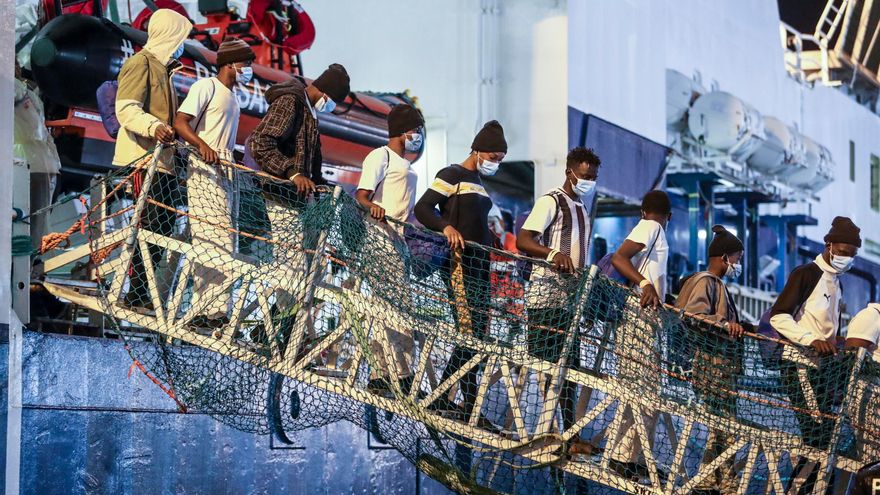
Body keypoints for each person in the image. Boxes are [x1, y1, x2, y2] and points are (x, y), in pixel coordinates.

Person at [413, 120, 506, 452]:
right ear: (478, 150)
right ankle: (449, 400)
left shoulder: (478, 182)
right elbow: (422, 208)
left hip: (482, 268)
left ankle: (469, 405)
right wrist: (446, 228)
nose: (496, 161)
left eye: (501, 157)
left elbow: (476, 222)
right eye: (493, 155)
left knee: (479, 337)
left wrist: (492, 238)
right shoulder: (452, 174)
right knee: (469, 333)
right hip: (460, 265)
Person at [516, 146, 601, 463]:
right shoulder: (551, 201)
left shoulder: (582, 208)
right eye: (585, 176)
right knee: (550, 369)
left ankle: (569, 435)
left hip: (570, 303)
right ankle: (553, 433)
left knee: (570, 370)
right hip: (545, 298)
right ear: (570, 172)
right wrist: (553, 255)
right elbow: (524, 239)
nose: (588, 181)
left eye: (593, 177)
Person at [173, 38, 255, 330]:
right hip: (204, 167)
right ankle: (205, 308)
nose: (248, 69)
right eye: (246, 63)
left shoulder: (233, 97)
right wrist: (202, 145)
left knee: (225, 240)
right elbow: (180, 122)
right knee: (210, 237)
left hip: (226, 170)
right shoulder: (205, 87)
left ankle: (217, 308)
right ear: (230, 64)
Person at [113, 8, 191, 311]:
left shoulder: (165, 72)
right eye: (181, 36)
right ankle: (136, 292)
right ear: (170, 34)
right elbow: (127, 108)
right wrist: (153, 126)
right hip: (144, 160)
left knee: (161, 228)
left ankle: (143, 292)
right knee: (146, 226)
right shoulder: (140, 64)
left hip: (165, 163)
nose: (182, 44)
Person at [769, 216, 860, 449]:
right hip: (799, 364)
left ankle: (810, 485)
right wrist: (812, 339)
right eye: (842, 252)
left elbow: (825, 328)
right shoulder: (807, 273)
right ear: (828, 246)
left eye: (851, 255)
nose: (846, 258)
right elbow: (778, 316)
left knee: (824, 436)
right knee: (817, 434)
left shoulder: (837, 283)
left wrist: (837, 341)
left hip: (820, 369)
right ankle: (808, 486)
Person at [354, 103, 424, 393]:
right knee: (397, 310)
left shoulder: (405, 163)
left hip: (398, 242)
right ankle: (399, 376)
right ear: (402, 131)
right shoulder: (380, 156)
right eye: (416, 130)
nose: (419, 135)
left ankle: (386, 375)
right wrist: (375, 209)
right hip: (379, 239)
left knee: (392, 310)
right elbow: (361, 196)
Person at [674, 225, 745, 494]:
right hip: (713, 366)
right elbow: (693, 314)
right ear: (724, 257)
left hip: (720, 367)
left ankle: (709, 477)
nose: (738, 265)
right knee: (725, 426)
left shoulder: (716, 284)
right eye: (737, 258)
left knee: (720, 426)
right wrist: (726, 324)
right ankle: (727, 483)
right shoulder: (707, 281)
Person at [606, 190, 671, 478]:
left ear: (643, 210)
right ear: (669, 216)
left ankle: (637, 457)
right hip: (637, 317)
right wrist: (645, 283)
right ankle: (621, 457)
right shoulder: (652, 227)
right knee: (638, 389)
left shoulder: (651, 227)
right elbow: (621, 258)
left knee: (647, 392)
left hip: (646, 320)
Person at [14, 63, 61, 249]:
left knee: (35, 223)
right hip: (24, 161)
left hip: (38, 162)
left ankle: (28, 264)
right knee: (26, 221)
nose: (17, 66)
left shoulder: (28, 91)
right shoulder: (15, 88)